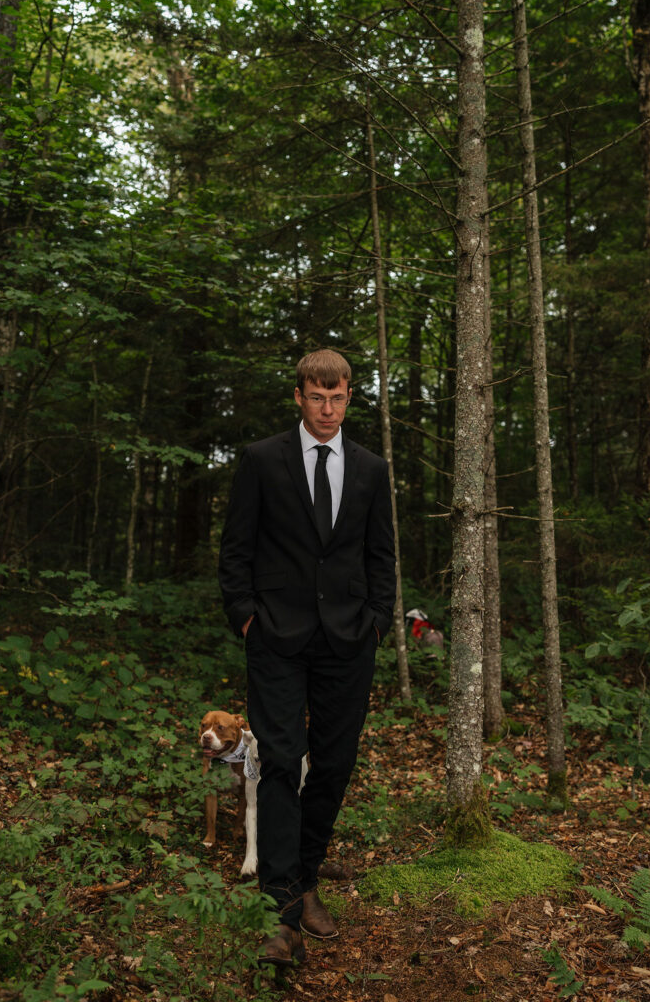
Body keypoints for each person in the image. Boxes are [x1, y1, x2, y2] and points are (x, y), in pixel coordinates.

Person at [218, 348, 395, 967]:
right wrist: (246, 616)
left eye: (338, 396)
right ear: (299, 396)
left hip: (349, 638)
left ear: (350, 397)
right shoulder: (263, 459)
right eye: (317, 396)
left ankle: (305, 873)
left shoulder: (371, 469)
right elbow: (235, 546)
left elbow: (381, 555)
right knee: (281, 761)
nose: (327, 407)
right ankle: (282, 915)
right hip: (277, 638)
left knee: (336, 763)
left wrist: (376, 621)